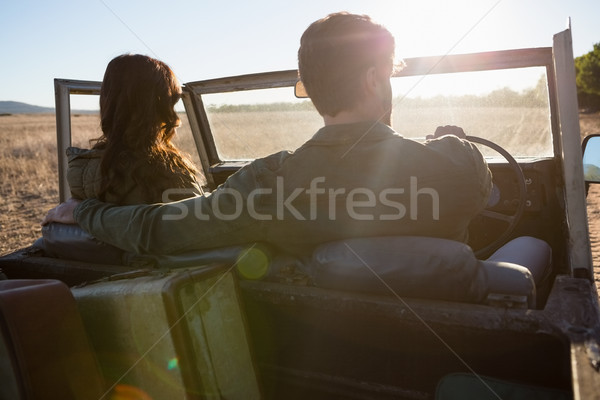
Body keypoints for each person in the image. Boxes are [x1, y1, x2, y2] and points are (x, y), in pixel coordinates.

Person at [43, 13, 550, 294]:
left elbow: (156, 230)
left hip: (326, 341)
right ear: (374, 78)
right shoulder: (454, 163)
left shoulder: (264, 185)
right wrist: (448, 135)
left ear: (310, 88)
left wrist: (85, 210)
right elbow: (477, 175)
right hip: (452, 337)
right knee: (534, 244)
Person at [41, 54, 202, 263]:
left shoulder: (81, 170)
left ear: (108, 100)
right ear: (160, 107)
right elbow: (196, 231)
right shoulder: (169, 170)